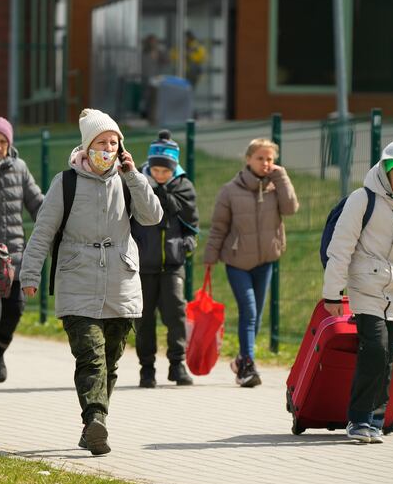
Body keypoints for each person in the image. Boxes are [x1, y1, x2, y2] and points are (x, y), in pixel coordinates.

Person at [19, 108, 162, 455]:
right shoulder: (64, 183)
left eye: (114, 142)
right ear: (87, 146)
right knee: (91, 356)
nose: (108, 148)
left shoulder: (127, 180)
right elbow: (42, 232)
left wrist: (133, 176)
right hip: (77, 278)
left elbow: (152, 215)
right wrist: (29, 273)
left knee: (110, 361)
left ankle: (93, 426)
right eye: (102, 142)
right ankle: (95, 418)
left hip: (120, 282)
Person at [322, 139, 393, 444]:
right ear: (385, 172)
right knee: (375, 350)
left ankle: (377, 420)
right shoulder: (361, 199)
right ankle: (359, 419)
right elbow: (340, 248)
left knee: (389, 355)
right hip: (366, 288)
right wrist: (332, 293)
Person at [204, 138, 298, 387]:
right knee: (250, 312)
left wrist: (282, 177)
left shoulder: (275, 186)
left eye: (270, 159)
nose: (266, 163)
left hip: (265, 261)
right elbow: (219, 226)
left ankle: (242, 360)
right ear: (248, 159)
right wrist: (210, 256)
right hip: (237, 262)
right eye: (260, 158)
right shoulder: (229, 190)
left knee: (254, 316)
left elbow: (290, 208)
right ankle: (248, 367)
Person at [0, 116, 43, 383]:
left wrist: (56, 218)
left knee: (16, 308)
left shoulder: (20, 167)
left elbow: (37, 201)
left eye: (3, 141)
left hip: (15, 256)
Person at [131, 129, 199, 388]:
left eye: (165, 171)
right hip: (142, 266)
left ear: (174, 168)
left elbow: (191, 224)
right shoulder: (135, 184)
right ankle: (146, 369)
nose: (160, 175)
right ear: (150, 165)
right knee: (143, 318)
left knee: (176, 313)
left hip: (173, 265)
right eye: (156, 170)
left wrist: (186, 246)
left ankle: (177, 364)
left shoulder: (184, 186)